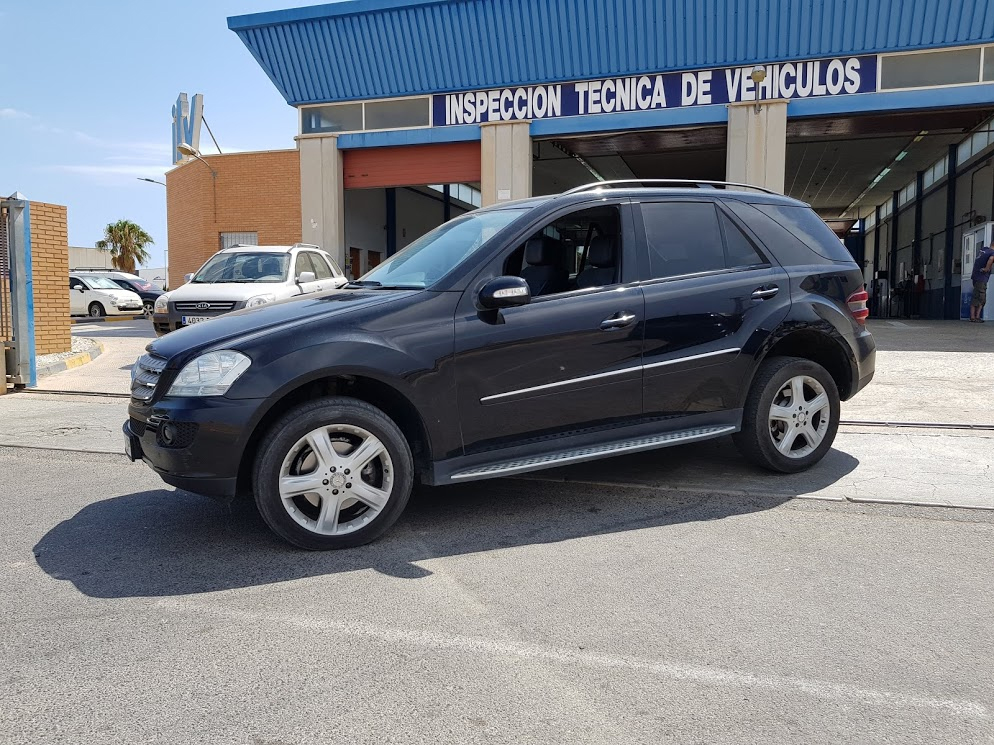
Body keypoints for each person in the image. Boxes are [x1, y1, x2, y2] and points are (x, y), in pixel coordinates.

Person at [970, 244, 994, 323]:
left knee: (975, 296)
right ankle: (976, 317)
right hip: (982, 278)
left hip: (975, 276)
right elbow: (991, 259)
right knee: (981, 298)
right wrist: (987, 269)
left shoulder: (983, 250)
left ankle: (973, 316)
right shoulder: (992, 253)